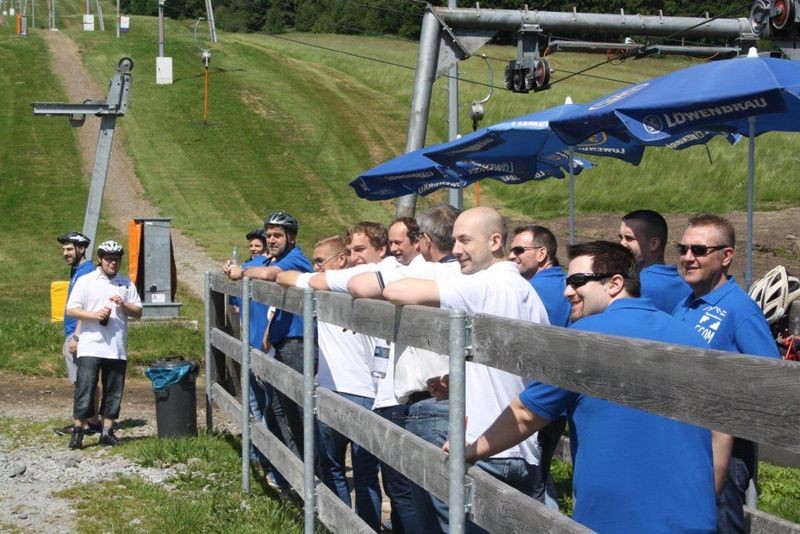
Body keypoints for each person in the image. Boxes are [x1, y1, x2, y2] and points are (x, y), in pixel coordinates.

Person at [452, 241, 716, 533]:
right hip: (694, 517)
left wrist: (471, 451)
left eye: (578, 281)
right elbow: (720, 426)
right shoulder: (689, 336)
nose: (567, 291)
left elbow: (527, 413)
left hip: (617, 519)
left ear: (615, 283)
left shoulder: (584, 338)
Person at [381, 206, 549, 533]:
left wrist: (442, 276)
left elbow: (394, 291)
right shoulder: (529, 294)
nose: (456, 250)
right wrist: (460, 382)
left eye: (465, 240)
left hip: (486, 448)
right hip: (523, 448)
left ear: (496, 241)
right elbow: (516, 371)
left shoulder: (486, 285)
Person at [672, 214, 780, 534]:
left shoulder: (740, 309)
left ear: (726, 256)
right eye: (683, 248)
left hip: (723, 453)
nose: (688, 257)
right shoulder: (687, 304)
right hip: (686, 444)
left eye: (700, 250)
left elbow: (772, 381)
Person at [278, 235, 384, 531]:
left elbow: (284, 275)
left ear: (340, 261)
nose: (314, 266)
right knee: (335, 467)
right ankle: (341, 525)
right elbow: (282, 276)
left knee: (359, 471)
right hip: (332, 389)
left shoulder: (355, 283)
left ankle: (363, 527)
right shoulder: (327, 287)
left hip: (365, 392)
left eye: (319, 261)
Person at [224, 211, 312, 459]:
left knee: (295, 412)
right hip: (279, 342)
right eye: (269, 235)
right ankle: (288, 474)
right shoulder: (272, 259)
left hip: (296, 341)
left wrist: (241, 272)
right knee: (277, 411)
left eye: (277, 235)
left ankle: (308, 474)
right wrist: (233, 268)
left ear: (291, 238)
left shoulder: (295, 259)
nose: (271, 240)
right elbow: (257, 267)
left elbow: (267, 274)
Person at [508, 224, 568, 509]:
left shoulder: (531, 290)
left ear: (542, 254)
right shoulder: (566, 284)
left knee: (532, 484)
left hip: (536, 395)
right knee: (541, 476)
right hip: (560, 397)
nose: (512, 256)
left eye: (519, 250)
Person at [65, 240, 142, 449]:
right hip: (91, 345)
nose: (113, 263)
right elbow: (72, 309)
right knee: (85, 388)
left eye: (116, 260)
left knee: (113, 390)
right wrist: (94, 315)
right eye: (109, 259)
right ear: (101, 259)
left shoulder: (125, 283)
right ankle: (78, 431)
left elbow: (139, 312)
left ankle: (107, 432)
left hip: (116, 347)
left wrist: (124, 305)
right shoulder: (87, 280)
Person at [54, 231, 103, 437]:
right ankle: (92, 422)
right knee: (87, 380)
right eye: (63, 249)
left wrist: (75, 336)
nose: (65, 253)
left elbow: (88, 305)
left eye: (68, 249)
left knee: (81, 381)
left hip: (79, 334)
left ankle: (80, 424)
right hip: (76, 333)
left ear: (81, 249)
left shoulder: (86, 272)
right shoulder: (79, 270)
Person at [618, 209, 691, 312]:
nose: (622, 244)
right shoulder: (688, 287)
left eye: (629, 238)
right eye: (620, 237)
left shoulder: (634, 286)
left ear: (654, 244)